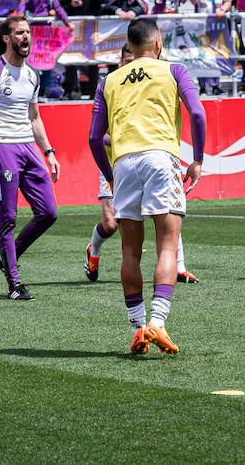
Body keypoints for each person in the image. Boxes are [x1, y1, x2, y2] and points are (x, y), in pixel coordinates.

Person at [87, 18, 205, 355]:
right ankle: (158, 321)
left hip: (123, 163)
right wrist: (197, 159)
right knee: (167, 247)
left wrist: (110, 173)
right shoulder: (174, 71)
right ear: (158, 44)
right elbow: (197, 114)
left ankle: (137, 327)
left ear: (129, 45)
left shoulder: (107, 81)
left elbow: (95, 137)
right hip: (159, 158)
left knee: (129, 251)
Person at [0, 16, 59, 301]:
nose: (26, 37)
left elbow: (35, 118)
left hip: (28, 147)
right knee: (8, 217)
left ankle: (6, 256)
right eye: (19, 33)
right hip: (1, 147)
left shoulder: (32, 75)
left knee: (49, 213)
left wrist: (49, 152)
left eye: (28, 32)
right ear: (6, 38)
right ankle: (14, 283)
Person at [85, 46, 198, 284]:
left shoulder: (148, 83)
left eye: (133, 59)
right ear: (120, 63)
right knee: (111, 223)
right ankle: (93, 250)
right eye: (126, 61)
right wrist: (120, 140)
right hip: (114, 162)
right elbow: (98, 134)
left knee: (167, 212)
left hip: (145, 158)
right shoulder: (113, 86)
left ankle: (180, 267)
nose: (131, 65)